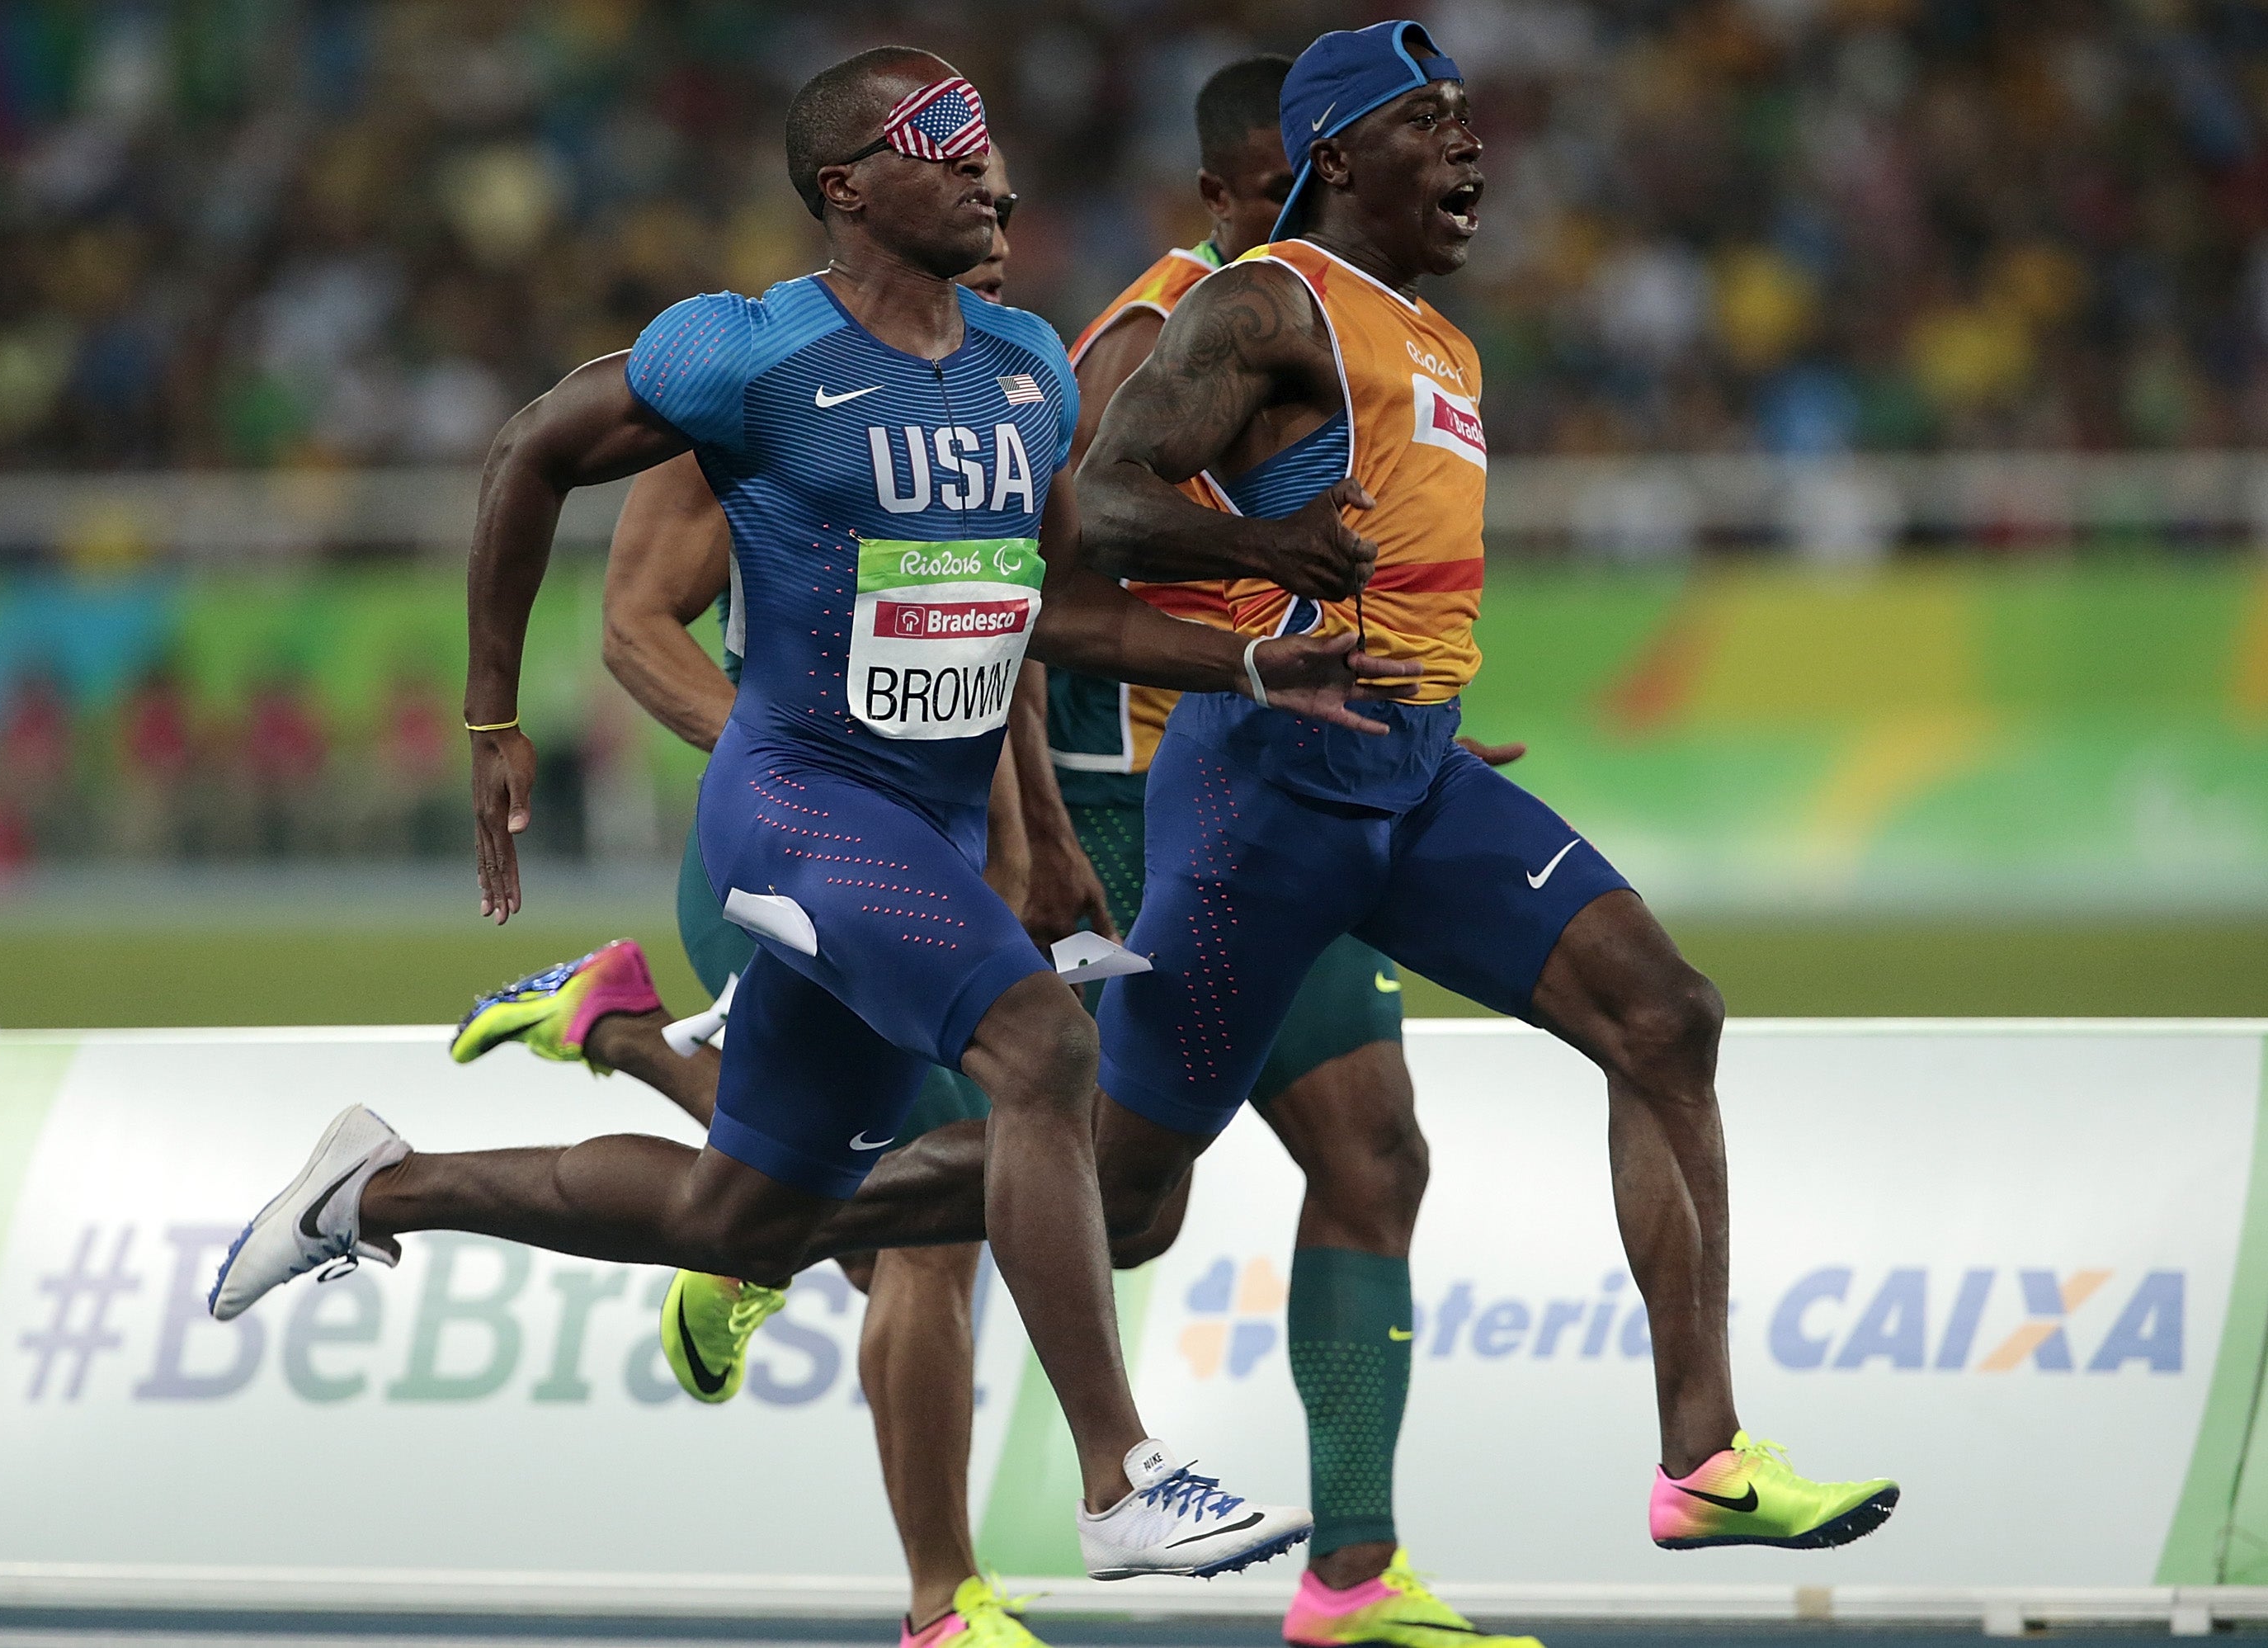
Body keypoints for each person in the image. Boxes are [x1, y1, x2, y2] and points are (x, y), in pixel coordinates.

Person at [206, 47, 1407, 1582]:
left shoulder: (1031, 364)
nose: (994, 173)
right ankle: (1120, 1477)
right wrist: (491, 716)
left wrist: (1253, 658)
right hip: (794, 806)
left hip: (929, 824)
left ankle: (371, 1187)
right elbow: (527, 456)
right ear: (849, 186)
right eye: (948, 145)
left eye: (991, 141)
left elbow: (1056, 615)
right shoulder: (749, 354)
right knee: (1040, 1045)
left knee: (743, 1222)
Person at [1070, 22, 1899, 1557]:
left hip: (1414, 777)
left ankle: (1700, 1461)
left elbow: (1405, 574)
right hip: (1263, 800)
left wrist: (1430, 704)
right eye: (1430, 122)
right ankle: (778, 1211)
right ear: (1334, 156)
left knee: (1667, 1014)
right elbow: (1103, 496)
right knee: (1120, 1202)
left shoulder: (1436, 340)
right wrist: (1268, 559)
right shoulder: (1268, 301)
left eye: (1471, 123)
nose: (1470, 150)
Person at [450, 154, 1061, 1648]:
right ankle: (946, 1600)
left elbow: (1005, 641)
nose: (991, 242)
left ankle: (627, 1042)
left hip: (939, 848)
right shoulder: (765, 393)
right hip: (792, 853)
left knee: (828, 1205)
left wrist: (1026, 828)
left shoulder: (998, 383)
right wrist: (823, 789)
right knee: (940, 1222)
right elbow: (637, 628)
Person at [1033, 54, 1538, 1648]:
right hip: (1140, 796)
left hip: (1301, 768)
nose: (1295, 243)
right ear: (1238, 192)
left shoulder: (1354, 318)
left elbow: (1339, 565)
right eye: (1273, 204)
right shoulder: (1157, 334)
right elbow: (1047, 578)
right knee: (1125, 1204)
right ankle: (758, 1207)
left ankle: (1354, 1574)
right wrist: (1061, 813)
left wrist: (1400, 713)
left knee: (1371, 1153)